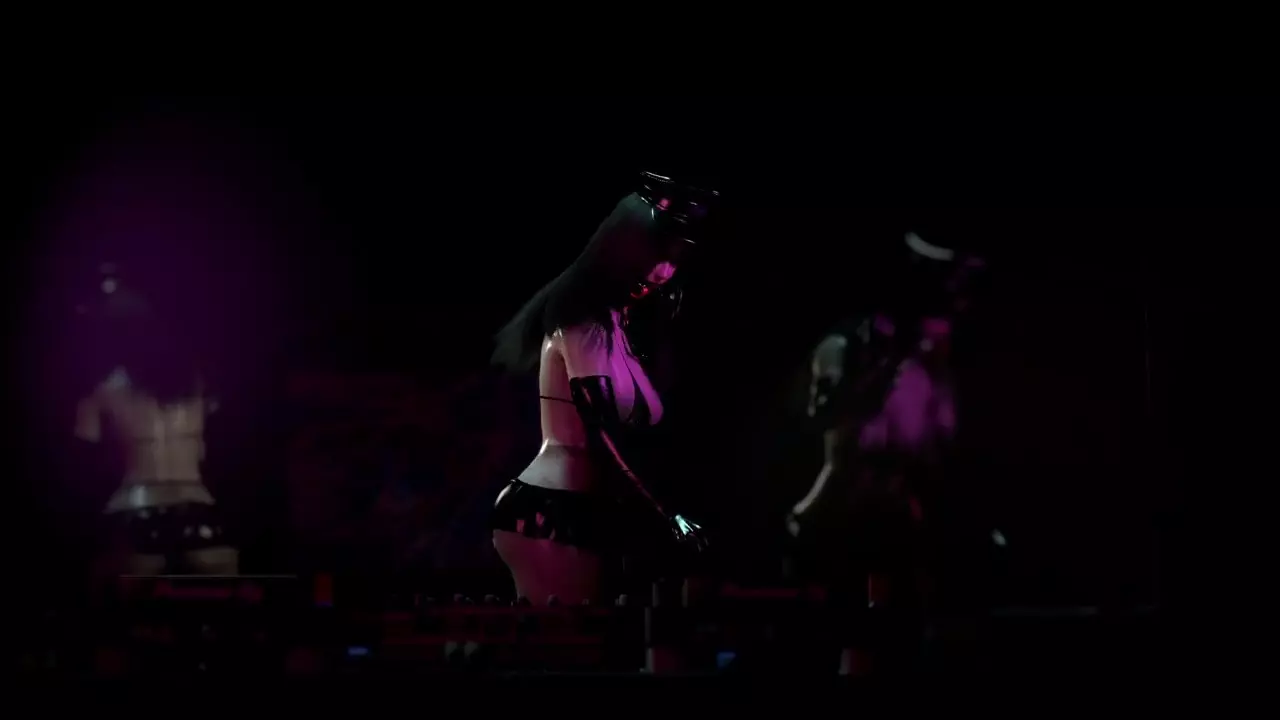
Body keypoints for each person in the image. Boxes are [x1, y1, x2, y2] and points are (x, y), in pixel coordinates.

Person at [489, 171, 715, 606]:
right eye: (654, 257)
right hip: (550, 509)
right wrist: (666, 513)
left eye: (671, 260)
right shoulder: (581, 320)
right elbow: (602, 429)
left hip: (580, 508)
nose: (662, 273)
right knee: (571, 636)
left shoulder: (617, 329)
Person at [785, 228, 984, 671]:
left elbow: (935, 450)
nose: (961, 303)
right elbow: (828, 425)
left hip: (900, 537)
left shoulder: (933, 368)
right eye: (951, 287)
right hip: (838, 529)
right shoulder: (850, 347)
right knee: (848, 642)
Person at [72, 263, 237, 578]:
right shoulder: (199, 382)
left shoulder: (100, 392)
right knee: (224, 592)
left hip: (134, 507)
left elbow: (85, 459)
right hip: (197, 506)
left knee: (106, 586)